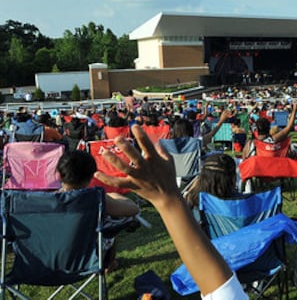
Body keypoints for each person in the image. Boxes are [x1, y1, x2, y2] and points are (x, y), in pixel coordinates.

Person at [95, 125, 248, 299]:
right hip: (245, 253)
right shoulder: (251, 204)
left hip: (210, 246)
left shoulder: (195, 199)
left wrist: (168, 199)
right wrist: (167, 200)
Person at [57, 150, 140, 272]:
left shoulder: (47, 201)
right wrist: (113, 195)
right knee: (111, 225)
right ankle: (109, 263)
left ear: (59, 174)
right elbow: (133, 209)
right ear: (92, 176)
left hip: (54, 260)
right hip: (90, 260)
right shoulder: (97, 199)